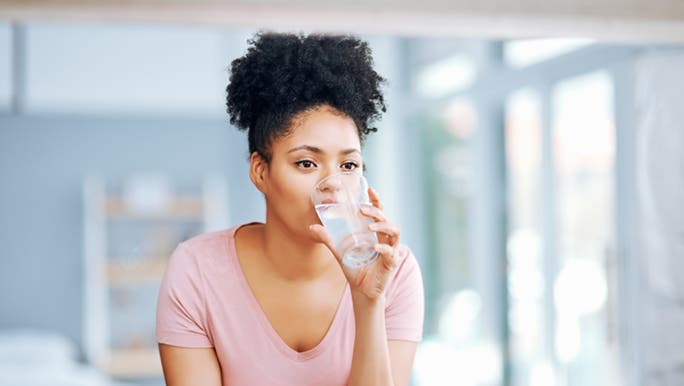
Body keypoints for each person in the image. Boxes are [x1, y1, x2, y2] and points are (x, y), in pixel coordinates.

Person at [155, 31, 424, 386]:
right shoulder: (196, 272)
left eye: (348, 166)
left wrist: (367, 301)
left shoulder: (395, 273)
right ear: (260, 171)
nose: (332, 184)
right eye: (307, 163)